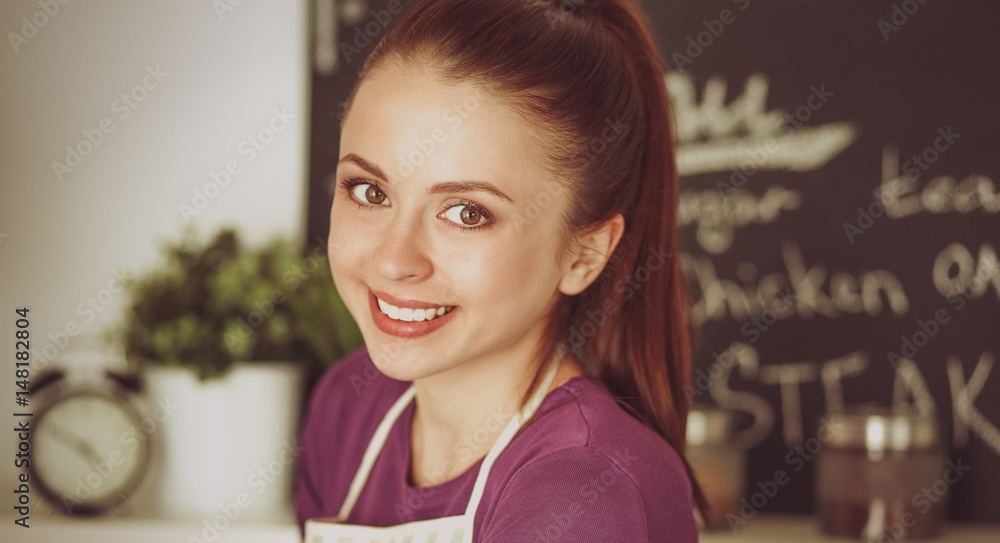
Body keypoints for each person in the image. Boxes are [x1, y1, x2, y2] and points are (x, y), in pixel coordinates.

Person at [295, 0, 706, 540]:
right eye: (369, 191)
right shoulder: (348, 404)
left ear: (584, 254)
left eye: (468, 214)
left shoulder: (584, 488)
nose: (394, 259)